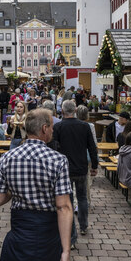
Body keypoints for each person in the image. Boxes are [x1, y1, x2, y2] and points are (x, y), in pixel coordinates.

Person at [0, 109, 73, 261]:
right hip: (49, 233)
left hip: (21, 233)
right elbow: (63, 207)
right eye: (52, 128)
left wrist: (16, 187)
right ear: (44, 129)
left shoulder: (7, 158)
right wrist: (66, 250)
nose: (53, 131)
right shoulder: (58, 160)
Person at [52, 99, 99, 245]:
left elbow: (54, 148)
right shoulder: (84, 126)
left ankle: (71, 238)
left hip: (64, 169)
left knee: (68, 203)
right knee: (82, 197)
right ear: (75, 110)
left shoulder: (58, 127)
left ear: (62, 110)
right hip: (81, 167)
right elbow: (92, 147)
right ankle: (83, 226)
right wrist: (94, 165)